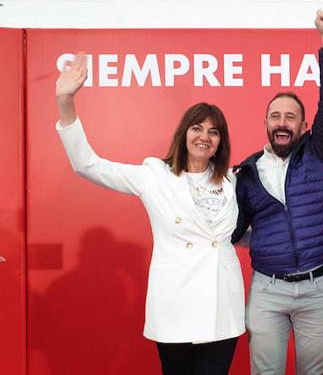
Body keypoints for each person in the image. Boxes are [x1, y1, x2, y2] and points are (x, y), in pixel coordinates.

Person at [55, 53, 245, 375]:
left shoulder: (232, 180)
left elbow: (239, 233)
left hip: (221, 301)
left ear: (220, 142)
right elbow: (87, 164)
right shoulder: (154, 175)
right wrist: (65, 101)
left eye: (213, 132)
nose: (204, 137)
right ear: (184, 133)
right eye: (197, 128)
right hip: (175, 302)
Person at [231, 10, 323, 375]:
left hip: (316, 288)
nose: (282, 123)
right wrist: (260, 241)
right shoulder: (245, 172)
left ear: (303, 125)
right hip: (267, 290)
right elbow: (234, 229)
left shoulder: (316, 153)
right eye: (275, 116)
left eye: (290, 116)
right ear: (265, 123)